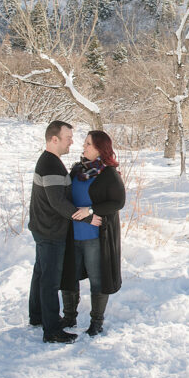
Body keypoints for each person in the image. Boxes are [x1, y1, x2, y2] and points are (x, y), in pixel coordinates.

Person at [28, 120, 95, 344]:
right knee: (49, 280)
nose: (72, 142)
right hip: (50, 230)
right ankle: (52, 330)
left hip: (43, 227)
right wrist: (88, 216)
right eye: (68, 138)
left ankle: (37, 316)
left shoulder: (50, 161)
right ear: (54, 139)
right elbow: (58, 202)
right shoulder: (50, 165)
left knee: (40, 273)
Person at [59, 129, 124, 336]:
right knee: (69, 276)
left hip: (95, 237)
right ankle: (69, 316)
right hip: (73, 234)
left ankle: (97, 321)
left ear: (99, 149)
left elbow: (118, 202)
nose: (84, 147)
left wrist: (92, 210)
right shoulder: (77, 170)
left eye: (88, 144)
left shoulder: (109, 173)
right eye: (85, 143)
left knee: (98, 279)